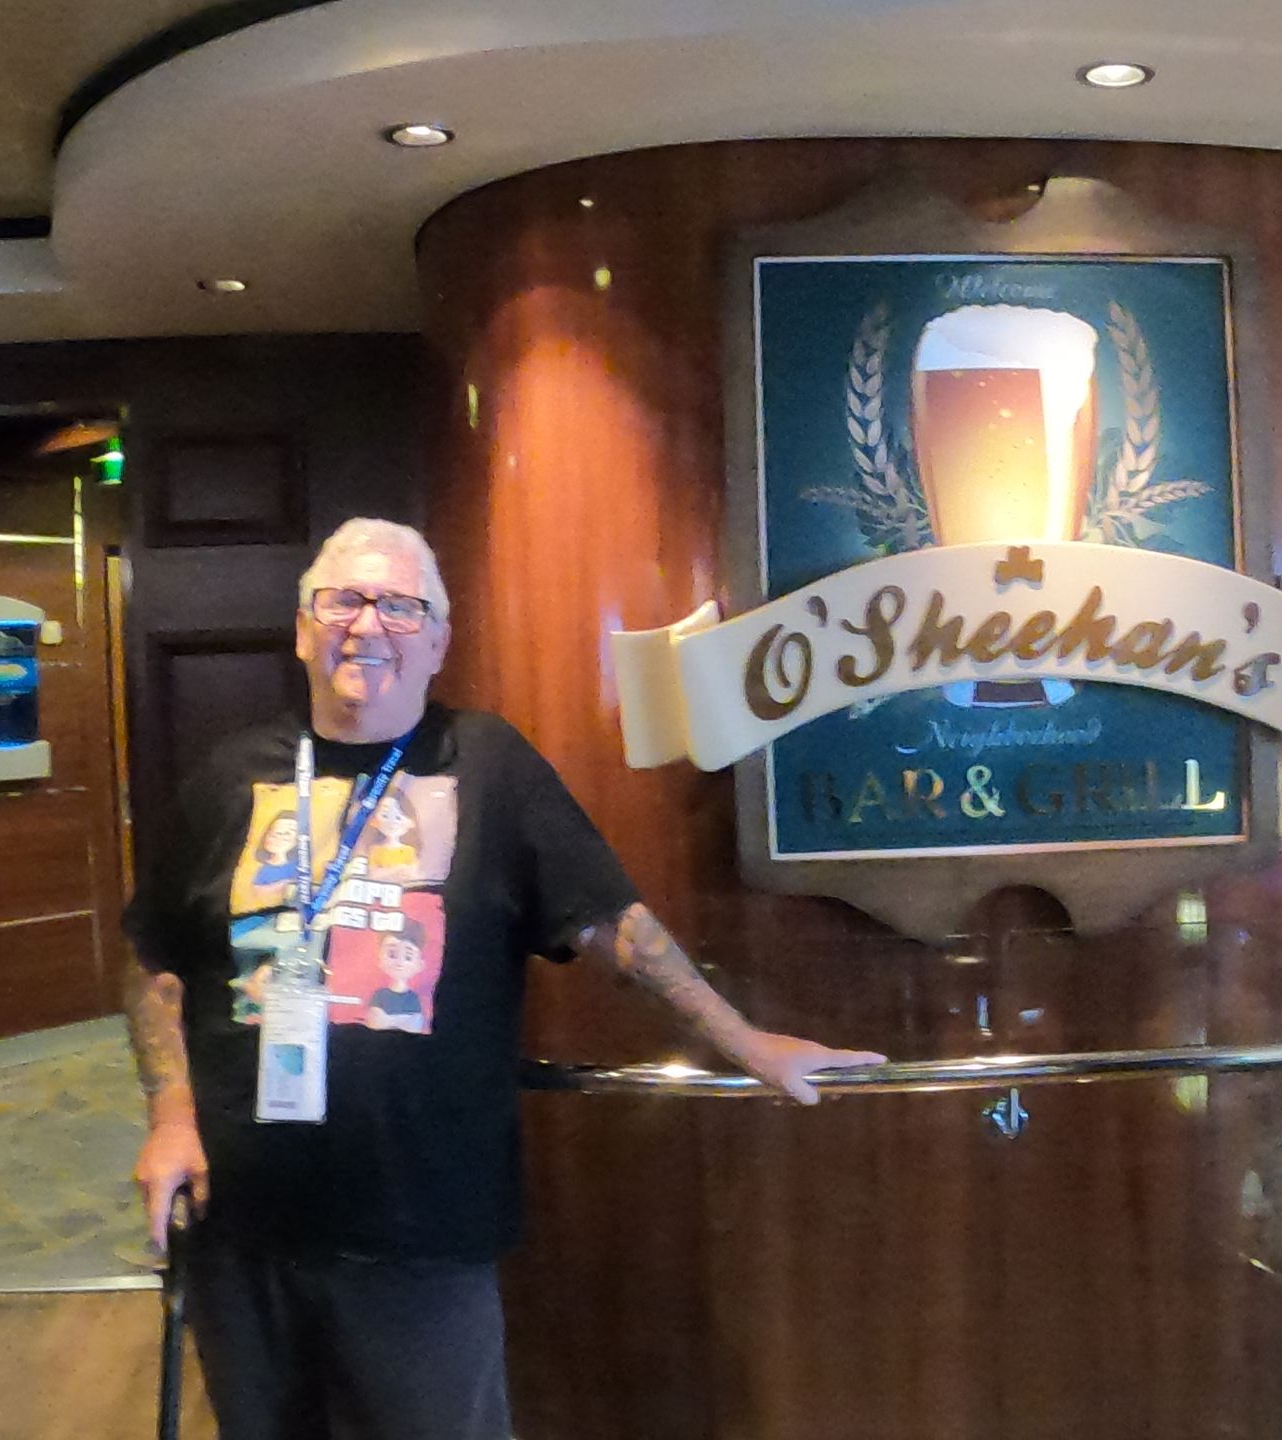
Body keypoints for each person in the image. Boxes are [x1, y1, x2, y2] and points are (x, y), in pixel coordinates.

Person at [125, 517, 884, 1440]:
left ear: (439, 642)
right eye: (343, 601)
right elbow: (157, 960)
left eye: (401, 607)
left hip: (419, 1232)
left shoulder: (488, 765)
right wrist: (171, 1119)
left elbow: (613, 927)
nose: (368, 625)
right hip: (240, 1228)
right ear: (301, 629)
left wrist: (744, 1039)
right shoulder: (225, 779)